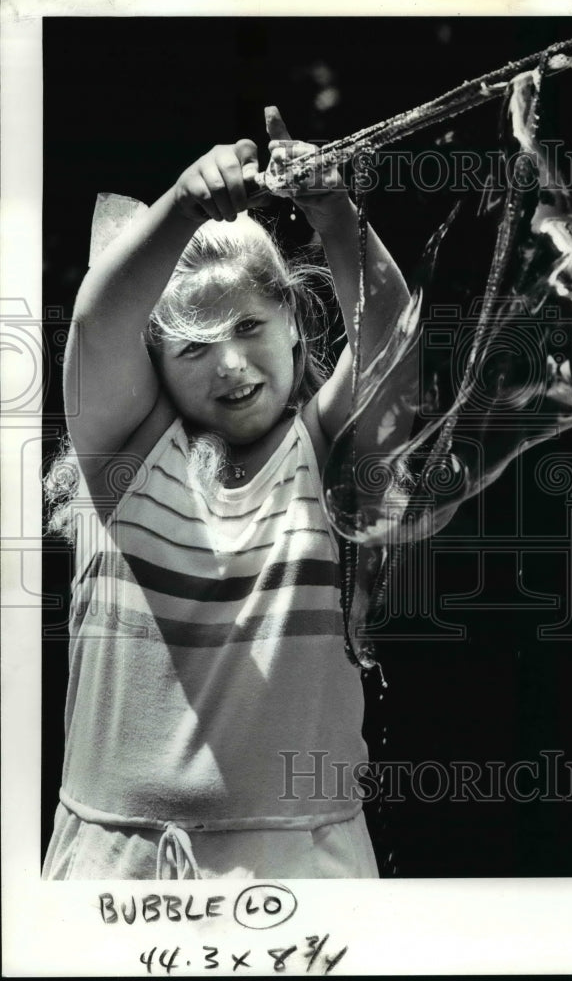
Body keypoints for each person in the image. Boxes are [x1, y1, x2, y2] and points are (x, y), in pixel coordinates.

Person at [43, 107, 410, 880]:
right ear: (154, 363)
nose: (232, 364)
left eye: (249, 325)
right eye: (195, 347)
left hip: (306, 867)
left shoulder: (327, 452)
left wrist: (335, 214)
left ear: (295, 329)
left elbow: (393, 342)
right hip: (118, 867)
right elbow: (96, 318)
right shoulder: (123, 460)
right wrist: (185, 202)